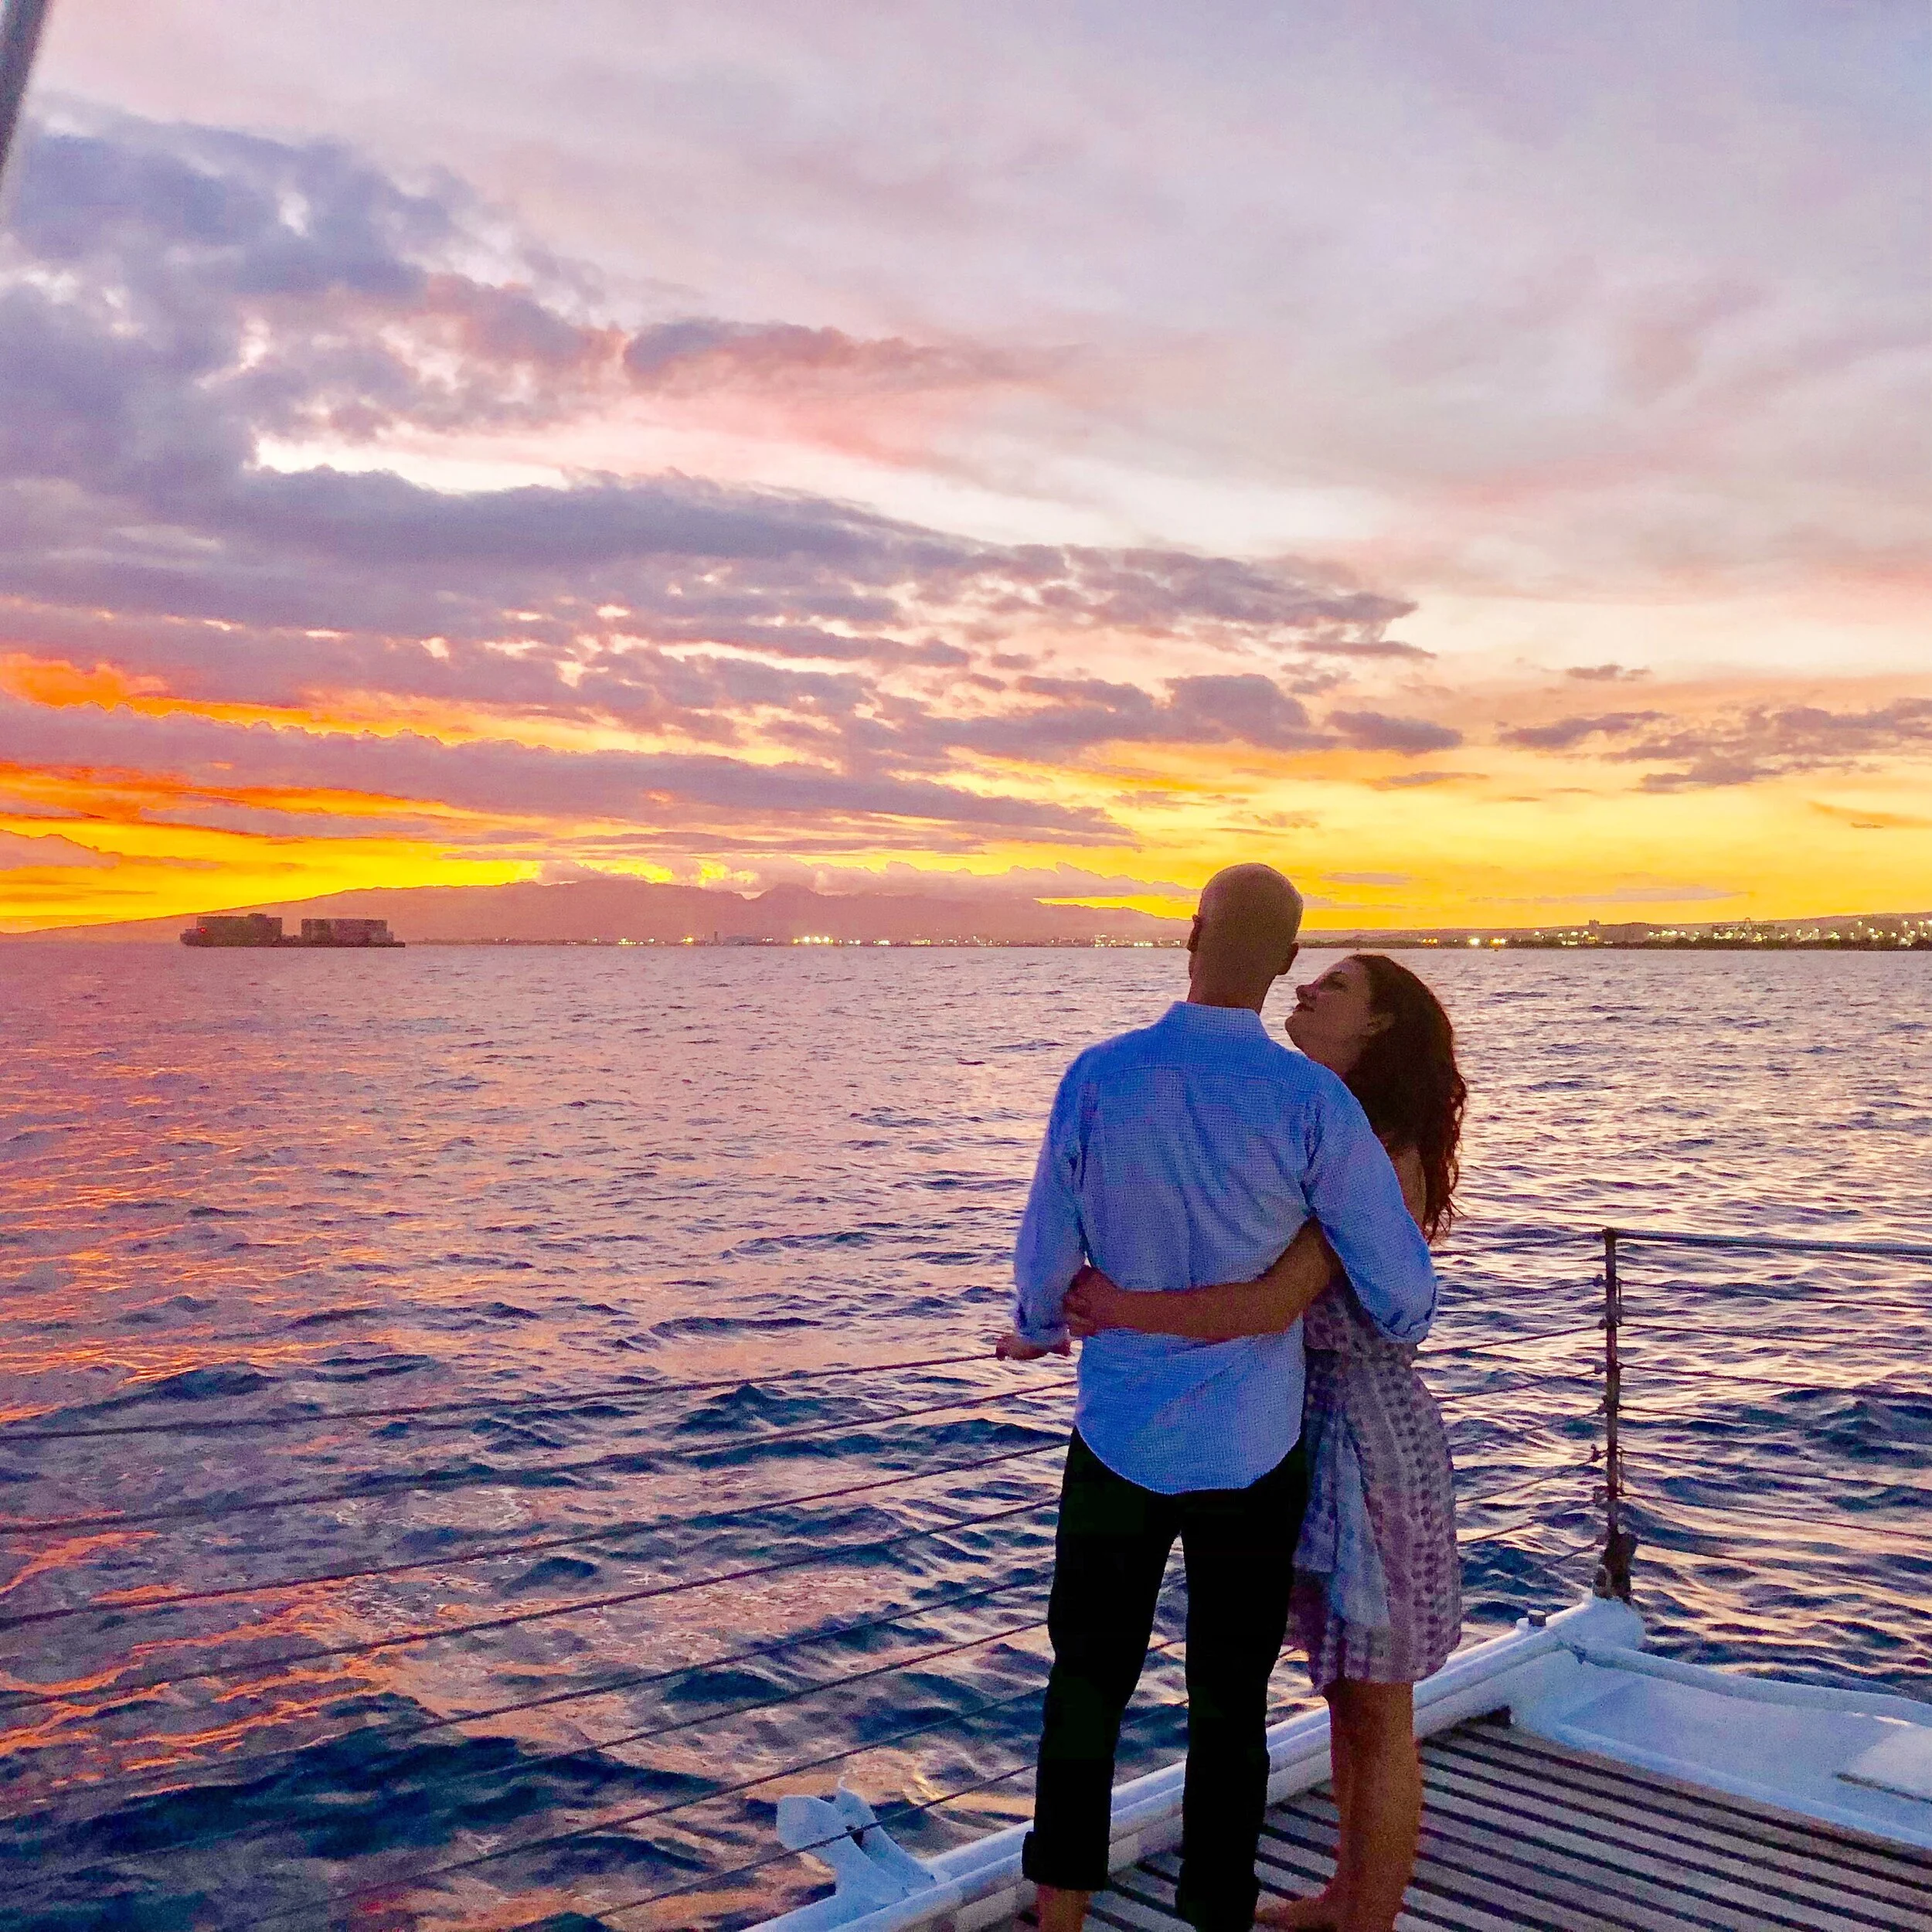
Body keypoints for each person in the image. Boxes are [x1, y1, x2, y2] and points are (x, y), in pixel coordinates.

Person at [995, 872, 1438, 1932]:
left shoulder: (1099, 1076)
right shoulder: (1311, 1103)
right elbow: (1407, 1299)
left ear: (1190, 938)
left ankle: (1060, 1915)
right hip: (1253, 1449)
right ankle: (1216, 1916)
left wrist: (1044, 1317)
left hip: (1119, 1437)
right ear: (1286, 961)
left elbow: (1046, 1248)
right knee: (1229, 1703)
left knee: (1087, 1682)